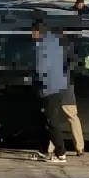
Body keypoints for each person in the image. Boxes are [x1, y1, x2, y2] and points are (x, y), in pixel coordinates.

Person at [31, 20, 68, 163]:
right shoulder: (55, 43)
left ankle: (61, 153)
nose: (31, 35)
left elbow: (41, 68)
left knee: (51, 122)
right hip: (58, 86)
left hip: (48, 88)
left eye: (32, 32)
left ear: (37, 32)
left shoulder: (42, 46)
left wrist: (33, 77)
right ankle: (43, 150)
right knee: (45, 121)